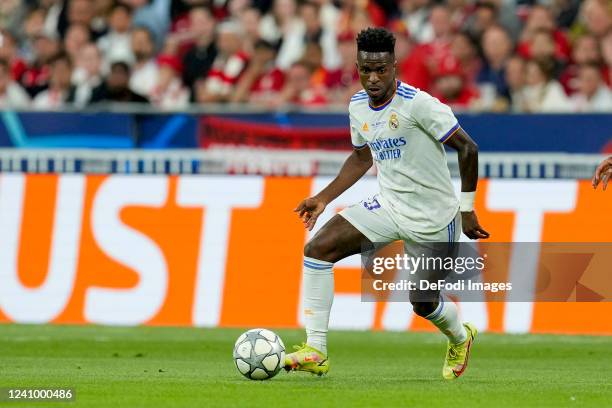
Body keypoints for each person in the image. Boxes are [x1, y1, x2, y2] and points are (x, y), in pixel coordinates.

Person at [284, 27, 489, 380]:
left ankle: (460, 336)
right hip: (389, 206)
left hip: (434, 218)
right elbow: (362, 158)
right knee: (317, 249)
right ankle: (315, 349)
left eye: (381, 69)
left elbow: (468, 148)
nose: (373, 78)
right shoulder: (358, 105)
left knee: (422, 303)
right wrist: (322, 198)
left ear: (394, 66)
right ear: (357, 67)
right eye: (366, 70)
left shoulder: (418, 104)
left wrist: (467, 209)